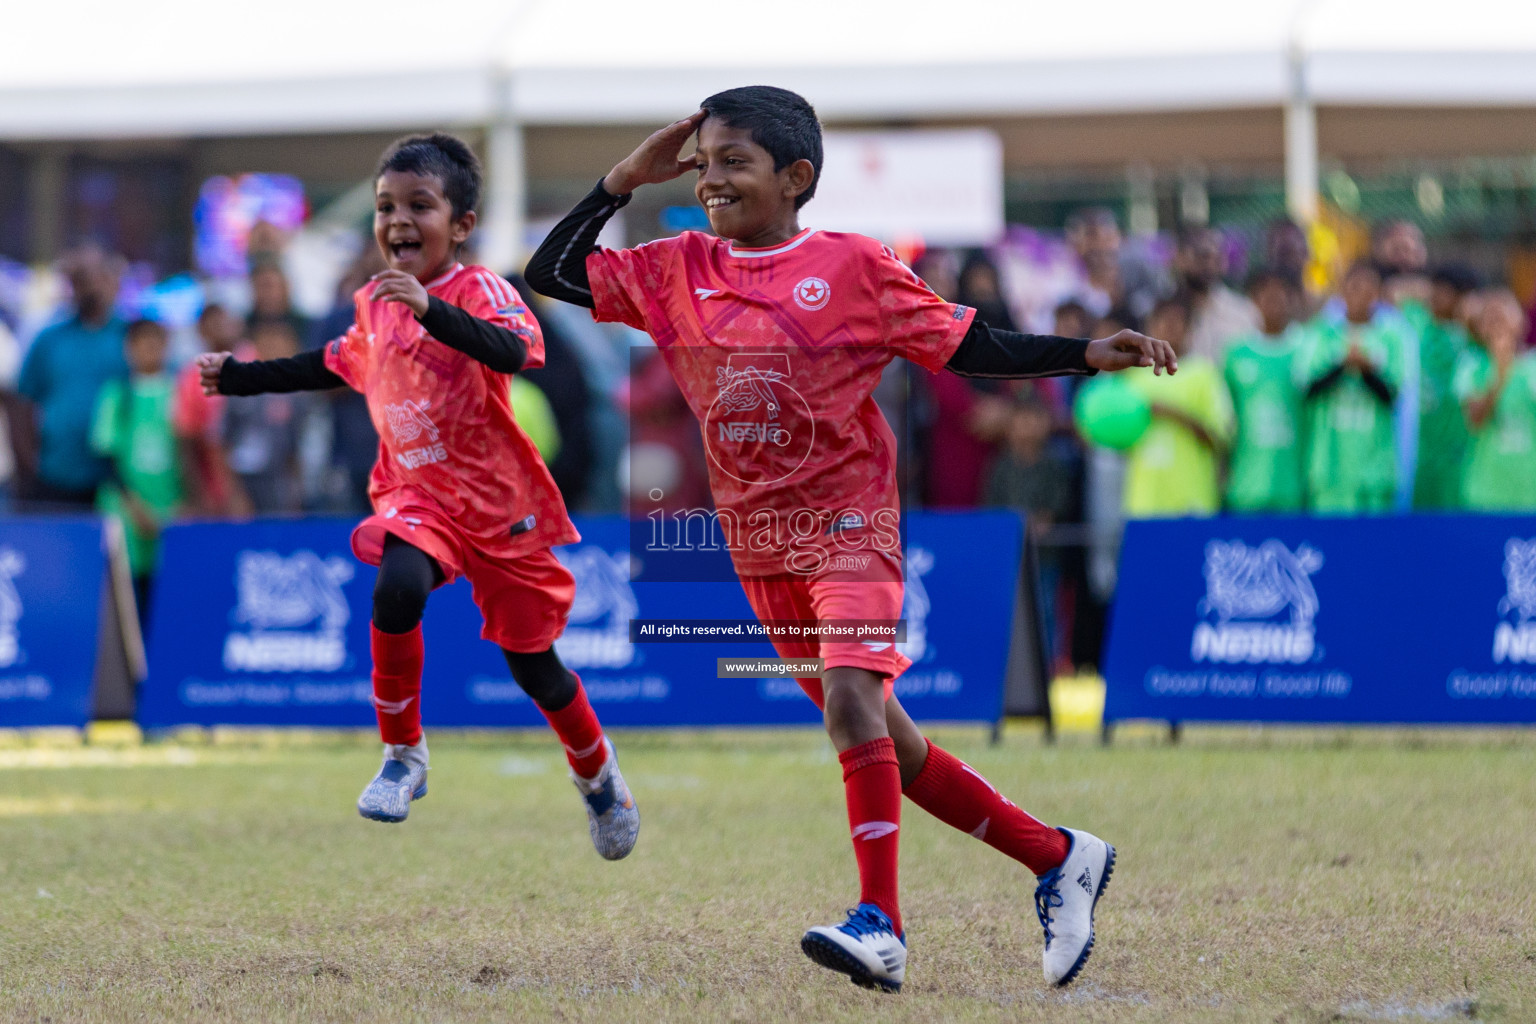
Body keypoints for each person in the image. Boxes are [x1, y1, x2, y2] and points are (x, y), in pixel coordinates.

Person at [526, 86, 1177, 992]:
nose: (711, 179)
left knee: (848, 705)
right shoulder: (673, 267)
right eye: (704, 161)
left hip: (851, 526)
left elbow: (965, 346)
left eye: (733, 162)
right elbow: (549, 275)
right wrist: (621, 182)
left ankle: (882, 925)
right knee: (890, 746)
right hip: (757, 547)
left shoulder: (855, 267)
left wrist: (1081, 354)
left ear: (797, 178)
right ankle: (1058, 856)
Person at [199, 133, 640, 858]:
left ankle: (597, 773)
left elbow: (519, 351)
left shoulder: (479, 290)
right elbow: (333, 363)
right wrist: (241, 375)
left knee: (534, 664)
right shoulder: (374, 302)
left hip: (500, 509)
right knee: (396, 588)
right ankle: (403, 753)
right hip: (417, 496)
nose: (397, 220)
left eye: (418, 206)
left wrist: (433, 309)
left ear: (460, 225)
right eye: (385, 206)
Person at [15, 244, 129, 510]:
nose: (88, 288)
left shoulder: (129, 337)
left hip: (119, 480)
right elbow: (22, 404)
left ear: (112, 281)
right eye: (78, 281)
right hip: (56, 474)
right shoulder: (49, 340)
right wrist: (30, 464)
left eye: (94, 278)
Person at [90, 318, 183, 625]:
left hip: (170, 512)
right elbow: (106, 457)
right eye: (142, 343)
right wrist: (135, 506)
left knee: (168, 600)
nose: (150, 350)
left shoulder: (180, 392)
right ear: (128, 349)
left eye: (156, 342)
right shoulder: (118, 395)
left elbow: (191, 453)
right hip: (126, 516)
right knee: (128, 603)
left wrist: (187, 501)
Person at [1299, 262, 1405, 514]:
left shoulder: (1393, 338)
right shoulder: (1321, 334)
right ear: (1342, 292)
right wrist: (1342, 364)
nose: (1360, 295)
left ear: (1378, 295)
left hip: (1375, 472)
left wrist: (1367, 370)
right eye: (1354, 288)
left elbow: (1392, 396)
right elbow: (1308, 390)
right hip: (1329, 469)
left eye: (1369, 289)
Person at [1121, 295, 1231, 518]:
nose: (1170, 328)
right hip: (1144, 502)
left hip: (1192, 501)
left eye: (1178, 322)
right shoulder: (1133, 377)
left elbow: (1220, 438)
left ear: (1191, 330)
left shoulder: (1205, 375)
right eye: (1163, 321)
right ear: (1151, 327)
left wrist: (1171, 414)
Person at [1223, 269, 1306, 513]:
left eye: (1281, 296)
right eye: (1266, 296)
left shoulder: (1307, 348)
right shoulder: (1236, 354)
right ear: (1253, 301)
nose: (1274, 302)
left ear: (1293, 300)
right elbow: (1227, 419)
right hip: (1246, 485)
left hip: (1295, 485)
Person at [1403, 264, 1477, 510]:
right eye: (1434, 291)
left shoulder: (1472, 339)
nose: (1435, 297)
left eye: (1445, 293)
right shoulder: (1415, 323)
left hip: (1457, 458)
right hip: (1416, 455)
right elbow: (1391, 292)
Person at [1456, 289, 1536, 511]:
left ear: (1522, 323)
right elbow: (1475, 421)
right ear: (1480, 328)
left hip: (1529, 493)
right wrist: (1500, 374)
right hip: (1485, 492)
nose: (1497, 321)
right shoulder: (1471, 366)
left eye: (1504, 314)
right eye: (1489, 317)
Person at [1176, 227, 1261, 365]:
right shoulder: (1162, 313)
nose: (1209, 265)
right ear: (1180, 258)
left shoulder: (1243, 312)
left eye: (1217, 258)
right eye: (1202, 256)